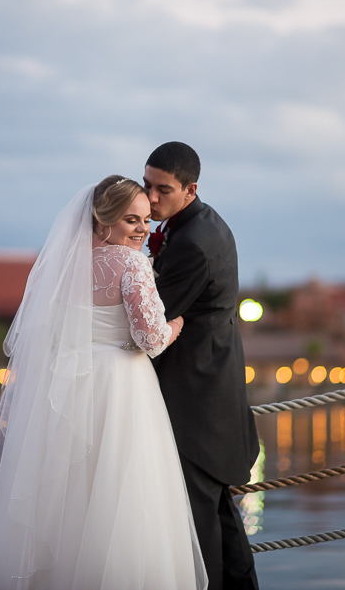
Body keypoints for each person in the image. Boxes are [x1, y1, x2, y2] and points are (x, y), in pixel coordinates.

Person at [0, 175, 207, 590]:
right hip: (121, 389)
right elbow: (149, 339)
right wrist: (176, 325)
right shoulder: (131, 264)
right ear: (101, 221)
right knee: (123, 495)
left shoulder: (60, 268)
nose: (141, 229)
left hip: (70, 388)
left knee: (68, 494)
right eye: (131, 219)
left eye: (146, 220)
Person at [144, 142, 260, 590]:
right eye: (148, 185)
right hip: (211, 390)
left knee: (201, 526)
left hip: (195, 400)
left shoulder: (193, 242)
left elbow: (152, 323)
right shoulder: (199, 224)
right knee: (218, 515)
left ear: (190, 189)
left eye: (163, 190)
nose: (151, 199)